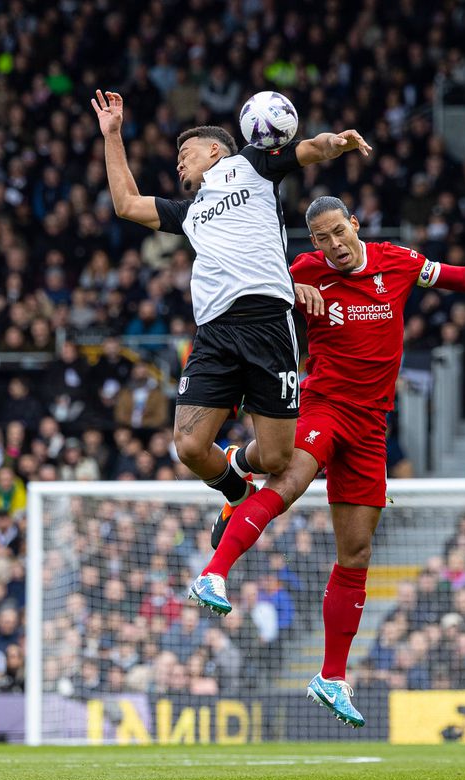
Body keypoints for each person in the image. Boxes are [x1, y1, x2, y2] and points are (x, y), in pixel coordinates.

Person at [189, 195, 465, 726]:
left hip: (371, 427)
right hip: (322, 403)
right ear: (312, 241)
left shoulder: (398, 261)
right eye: (321, 238)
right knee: (291, 480)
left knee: (358, 551)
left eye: (339, 232)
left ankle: (332, 677)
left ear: (355, 225)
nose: (334, 245)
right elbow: (251, 292)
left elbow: (461, 278)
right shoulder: (302, 272)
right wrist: (289, 289)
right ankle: (213, 574)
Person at [90, 89, 371, 534]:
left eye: (187, 152)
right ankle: (239, 495)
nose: (179, 161)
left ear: (216, 149)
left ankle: (239, 465)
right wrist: (112, 135)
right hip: (215, 333)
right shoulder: (188, 213)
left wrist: (334, 143)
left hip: (268, 325)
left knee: (278, 458)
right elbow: (126, 204)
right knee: (188, 445)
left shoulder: (253, 166)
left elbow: (307, 150)